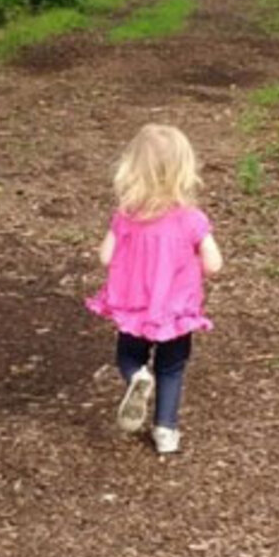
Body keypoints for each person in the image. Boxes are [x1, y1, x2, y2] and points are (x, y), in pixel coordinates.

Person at [86, 124, 223, 454]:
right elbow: (214, 264)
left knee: (129, 355)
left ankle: (136, 376)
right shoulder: (191, 220)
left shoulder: (126, 217)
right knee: (172, 367)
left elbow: (106, 256)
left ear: (132, 169)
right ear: (183, 170)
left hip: (134, 308)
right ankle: (166, 430)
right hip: (175, 311)